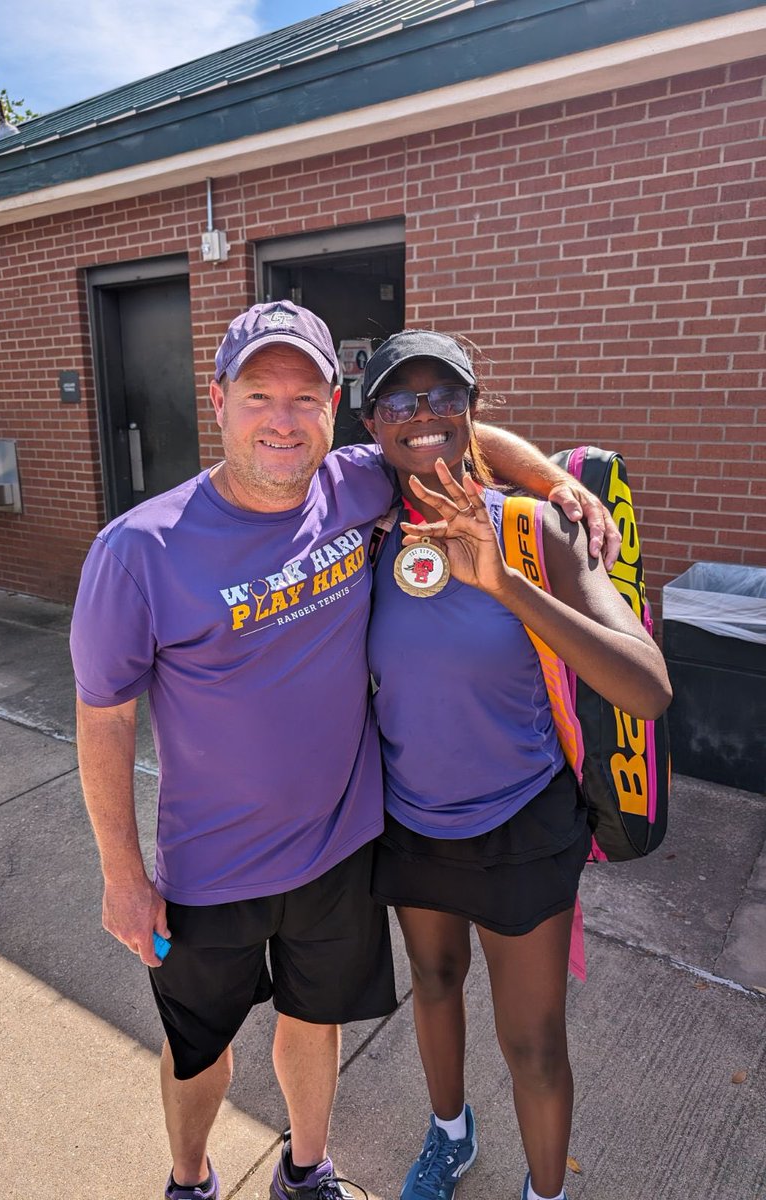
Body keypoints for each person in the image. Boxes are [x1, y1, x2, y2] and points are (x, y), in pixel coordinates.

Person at [69, 302, 620, 1200]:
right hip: (210, 865)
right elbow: (104, 717)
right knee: (198, 1046)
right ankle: (189, 1177)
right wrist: (121, 873)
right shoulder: (139, 550)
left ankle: (306, 1169)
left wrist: (564, 486)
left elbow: (459, 435)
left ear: (334, 406)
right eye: (258, 395)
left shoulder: (352, 483)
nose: (281, 421)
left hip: (341, 851)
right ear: (218, 402)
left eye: (303, 396)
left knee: (310, 1023)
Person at [360, 330, 672, 1200]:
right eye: (399, 400)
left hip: (522, 827)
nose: (423, 416)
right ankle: (450, 1137)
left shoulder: (535, 532)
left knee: (534, 1046)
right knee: (433, 980)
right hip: (411, 822)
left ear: (473, 410)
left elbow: (647, 689)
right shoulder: (364, 532)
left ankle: (546, 1191)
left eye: (443, 397)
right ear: (372, 425)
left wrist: (507, 585)